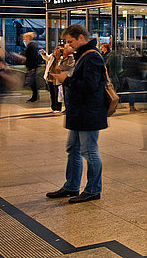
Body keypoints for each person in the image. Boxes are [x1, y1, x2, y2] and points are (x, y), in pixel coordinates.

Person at [46, 25, 107, 203]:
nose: (68, 45)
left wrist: (67, 80)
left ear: (81, 38)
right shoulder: (82, 55)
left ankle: (93, 189)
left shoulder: (92, 57)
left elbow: (90, 86)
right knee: (73, 149)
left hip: (89, 112)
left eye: (70, 41)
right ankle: (71, 186)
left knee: (89, 151)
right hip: (79, 112)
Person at [22, 32, 43, 102]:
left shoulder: (31, 46)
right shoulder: (31, 45)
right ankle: (34, 96)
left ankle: (35, 97)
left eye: (25, 37)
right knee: (32, 82)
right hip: (31, 66)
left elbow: (33, 57)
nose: (24, 39)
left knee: (32, 82)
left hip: (32, 67)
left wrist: (32, 67)